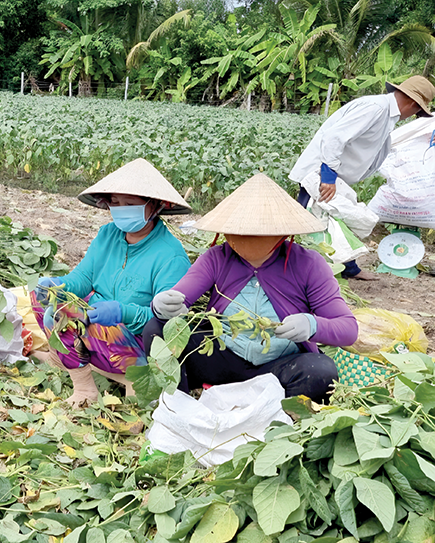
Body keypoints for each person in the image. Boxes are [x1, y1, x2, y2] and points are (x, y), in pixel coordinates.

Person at [147, 173, 357, 403]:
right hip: (222, 359)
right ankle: (178, 403)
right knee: (156, 327)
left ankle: (278, 413)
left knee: (321, 371)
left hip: (277, 366)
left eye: (259, 232)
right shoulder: (217, 258)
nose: (248, 237)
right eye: (241, 231)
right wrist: (163, 305)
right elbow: (181, 297)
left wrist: (311, 325)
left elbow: (348, 329)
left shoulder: (308, 263)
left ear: (282, 231)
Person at [30, 158, 192, 405]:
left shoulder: (171, 256)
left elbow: (166, 326)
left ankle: (85, 389)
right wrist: (59, 286)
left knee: (71, 316)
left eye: (130, 204)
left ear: (156, 206)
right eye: (115, 203)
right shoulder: (108, 234)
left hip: (135, 347)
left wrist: (121, 312)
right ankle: (64, 359)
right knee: (44, 298)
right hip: (97, 325)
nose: (120, 209)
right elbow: (83, 278)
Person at [289, 75, 435, 280]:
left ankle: (346, 269)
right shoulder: (375, 108)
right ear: (413, 103)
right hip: (319, 174)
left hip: (333, 176)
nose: (413, 116)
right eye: (417, 112)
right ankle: (289, 267)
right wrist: (328, 177)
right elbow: (334, 138)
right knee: (308, 222)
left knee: (336, 222)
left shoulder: (386, 115)